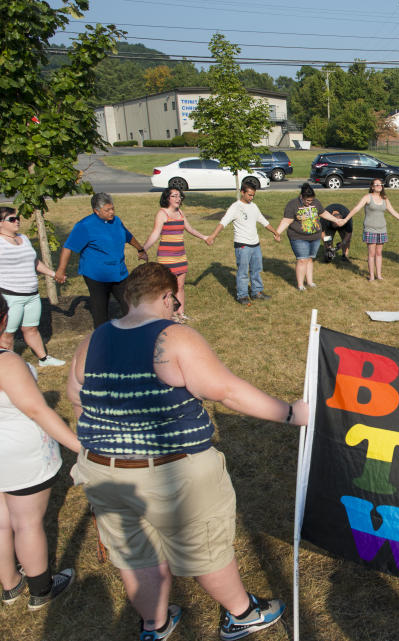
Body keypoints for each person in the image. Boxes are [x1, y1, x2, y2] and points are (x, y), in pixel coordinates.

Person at [65, 262, 309, 640]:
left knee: (135, 555)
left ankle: (155, 625)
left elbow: (75, 398)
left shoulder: (92, 340)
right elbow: (224, 391)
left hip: (102, 470)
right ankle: (242, 614)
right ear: (166, 296)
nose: (176, 309)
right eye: (174, 303)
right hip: (170, 471)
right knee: (203, 547)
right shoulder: (173, 337)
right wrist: (291, 413)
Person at [0, 294, 81, 611]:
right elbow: (37, 410)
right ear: (5, 319)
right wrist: (79, 447)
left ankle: (9, 585)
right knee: (27, 523)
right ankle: (41, 589)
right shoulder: (6, 362)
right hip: (21, 456)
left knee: (2, 523)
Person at [55, 193, 149, 327]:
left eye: (112, 208)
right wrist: (61, 270)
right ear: (96, 211)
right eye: (107, 210)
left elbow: (128, 236)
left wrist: (140, 249)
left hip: (119, 272)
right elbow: (68, 247)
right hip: (96, 275)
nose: (111, 212)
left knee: (130, 305)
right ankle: (101, 338)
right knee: (100, 310)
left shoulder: (116, 221)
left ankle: (133, 331)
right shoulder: (85, 226)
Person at [0, 207, 65, 366]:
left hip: (32, 295)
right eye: (12, 219)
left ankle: (44, 359)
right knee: (7, 334)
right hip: (10, 296)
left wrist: (53, 274)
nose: (17, 222)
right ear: (1, 223)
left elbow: (34, 262)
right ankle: (8, 365)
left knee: (31, 329)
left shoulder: (24, 238)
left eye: (18, 218)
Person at [206, 183, 280, 305]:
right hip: (242, 245)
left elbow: (263, 221)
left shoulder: (254, 206)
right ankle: (242, 295)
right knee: (243, 272)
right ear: (242, 192)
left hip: (255, 244)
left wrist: (275, 232)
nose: (251, 197)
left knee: (256, 270)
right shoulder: (235, 207)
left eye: (253, 195)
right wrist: (212, 236)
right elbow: (223, 222)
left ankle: (257, 292)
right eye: (249, 195)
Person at [141, 188, 208, 322]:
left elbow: (190, 229)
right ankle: (169, 315)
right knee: (168, 288)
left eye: (179, 196)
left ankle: (180, 313)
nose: (178, 199)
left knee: (180, 286)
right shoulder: (162, 214)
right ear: (167, 198)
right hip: (167, 257)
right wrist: (143, 249)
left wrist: (204, 237)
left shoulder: (180, 212)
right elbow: (155, 234)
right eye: (174, 196)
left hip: (181, 256)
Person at [274, 184, 345, 289]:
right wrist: (277, 232)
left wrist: (336, 220)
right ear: (301, 196)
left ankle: (310, 282)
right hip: (298, 237)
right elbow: (286, 221)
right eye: (307, 201)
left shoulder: (316, 202)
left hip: (315, 236)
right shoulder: (293, 204)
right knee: (302, 259)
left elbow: (323, 213)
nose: (309, 203)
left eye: (311, 200)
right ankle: (300, 285)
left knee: (310, 259)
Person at [340, 180, 399, 281]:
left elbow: (393, 211)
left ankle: (379, 275)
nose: (379, 186)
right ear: (372, 187)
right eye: (376, 184)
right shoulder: (367, 197)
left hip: (382, 229)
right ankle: (372, 276)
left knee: (379, 253)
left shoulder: (385, 199)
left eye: (380, 184)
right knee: (371, 253)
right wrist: (346, 219)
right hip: (370, 229)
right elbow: (356, 208)